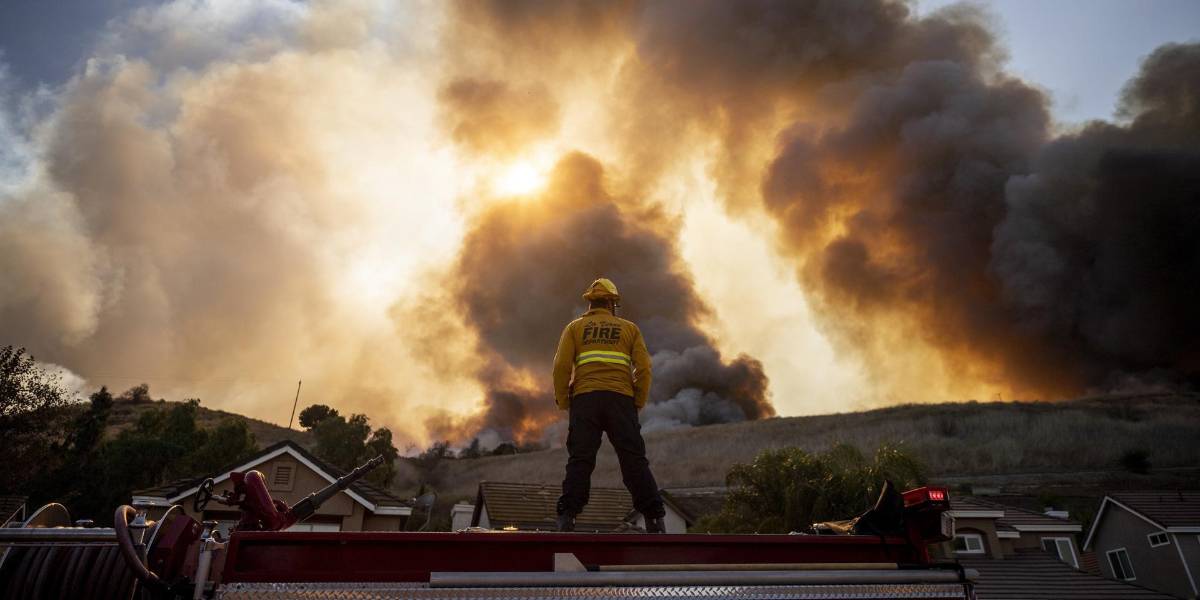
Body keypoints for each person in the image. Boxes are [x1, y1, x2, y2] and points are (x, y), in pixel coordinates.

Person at [552, 277, 666, 533]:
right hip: (620, 401)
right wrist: (638, 400)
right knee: (633, 460)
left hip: (586, 400)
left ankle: (567, 518)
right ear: (613, 303)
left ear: (589, 304)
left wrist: (563, 400)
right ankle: (655, 520)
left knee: (580, 459)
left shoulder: (575, 328)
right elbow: (645, 368)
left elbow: (561, 367)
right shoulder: (629, 329)